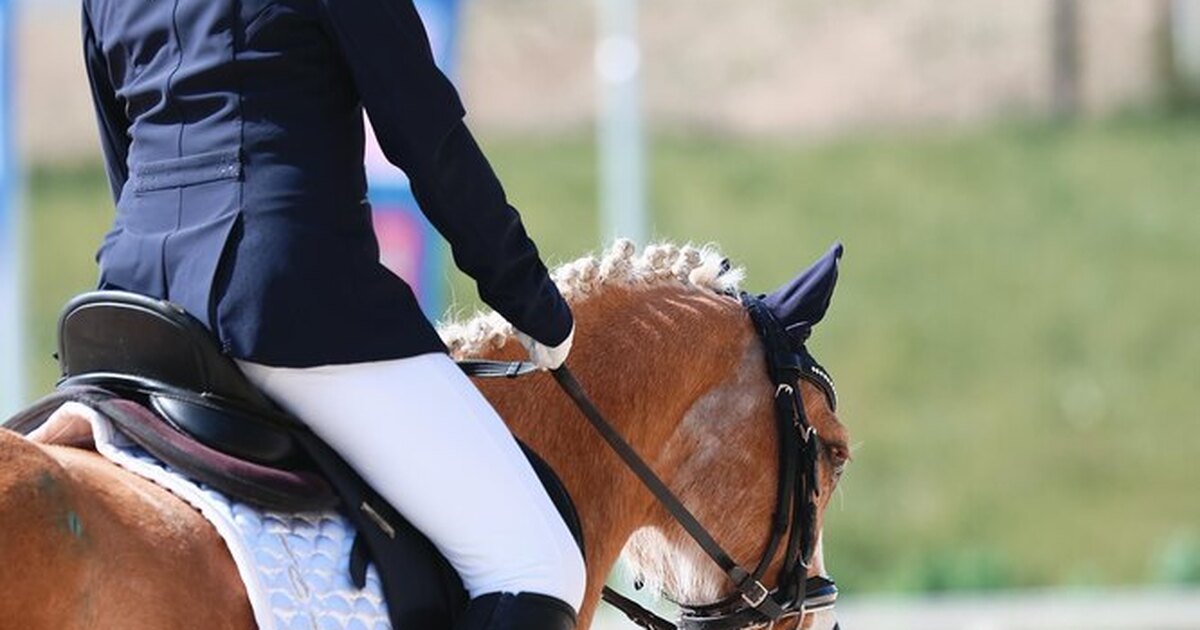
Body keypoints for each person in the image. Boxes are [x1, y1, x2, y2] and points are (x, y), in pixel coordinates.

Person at [80, 0, 587, 627]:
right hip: (281, 301)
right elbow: (426, 135)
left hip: (134, 306)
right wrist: (531, 301)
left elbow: (122, 151)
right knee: (535, 566)